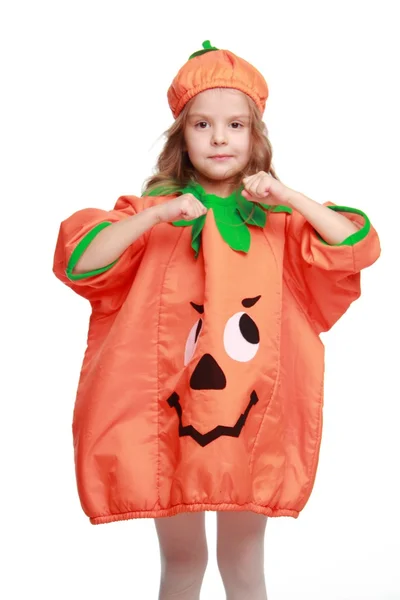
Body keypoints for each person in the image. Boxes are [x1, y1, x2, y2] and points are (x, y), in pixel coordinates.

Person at [53, 40, 381, 600]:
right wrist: (157, 212)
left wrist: (288, 195)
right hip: (173, 413)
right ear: (182, 134)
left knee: (243, 559)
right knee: (182, 559)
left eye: (235, 124)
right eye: (203, 124)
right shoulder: (148, 217)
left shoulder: (278, 221)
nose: (220, 137)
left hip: (246, 416)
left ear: (256, 136)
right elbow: (81, 260)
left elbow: (354, 242)